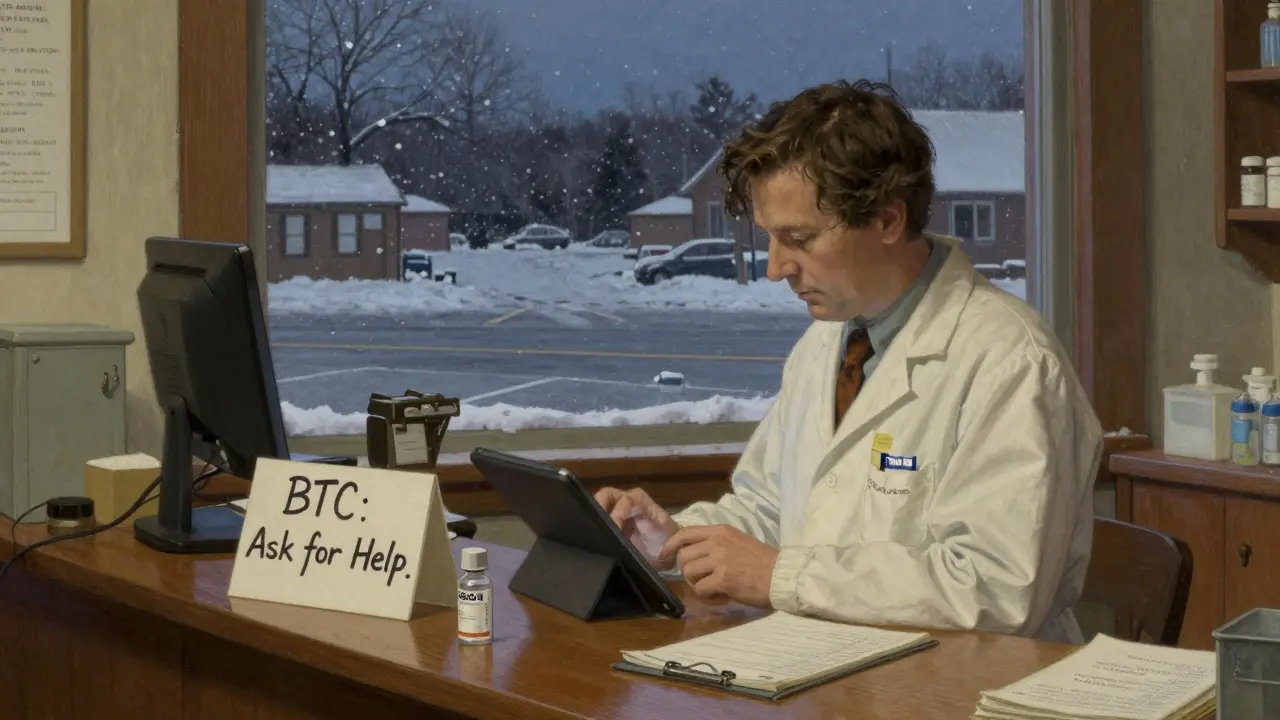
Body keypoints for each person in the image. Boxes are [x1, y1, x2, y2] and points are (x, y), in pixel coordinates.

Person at [594, 79, 1103, 644]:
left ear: (887, 220)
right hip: (837, 670)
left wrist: (782, 575)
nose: (775, 268)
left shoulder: (1011, 363)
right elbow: (773, 510)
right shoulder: (827, 343)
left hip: (967, 689)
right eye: (769, 237)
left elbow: (995, 590)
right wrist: (674, 541)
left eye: (799, 238)